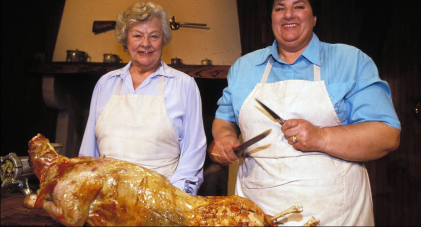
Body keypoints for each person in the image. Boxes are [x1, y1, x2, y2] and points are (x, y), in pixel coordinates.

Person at [208, 0, 401, 225]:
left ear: (314, 17)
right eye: (279, 8)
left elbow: (387, 136)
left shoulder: (351, 61)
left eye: (299, 6)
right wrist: (224, 138)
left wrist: (321, 137)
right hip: (258, 211)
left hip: (335, 214)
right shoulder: (244, 67)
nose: (288, 15)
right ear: (271, 18)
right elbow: (224, 120)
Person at [79, 2, 206, 195]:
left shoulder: (184, 85)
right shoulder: (106, 84)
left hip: (161, 201)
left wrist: (174, 200)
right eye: (137, 35)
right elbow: (89, 152)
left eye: (154, 36)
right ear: (126, 39)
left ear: (163, 40)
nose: (145, 43)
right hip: (105, 200)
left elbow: (193, 152)